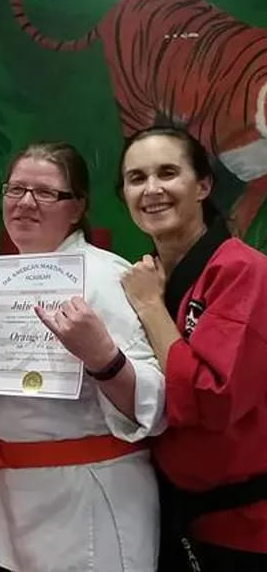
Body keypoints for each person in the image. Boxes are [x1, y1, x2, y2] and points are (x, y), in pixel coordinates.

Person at [0, 141, 165, 572]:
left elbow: (155, 405)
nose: (25, 203)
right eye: (15, 189)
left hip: (89, 500)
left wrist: (103, 358)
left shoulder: (104, 277)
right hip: (12, 499)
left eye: (45, 192)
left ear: (77, 207)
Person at [118, 126, 267, 571]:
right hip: (167, 512)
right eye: (136, 178)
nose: (151, 189)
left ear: (203, 186)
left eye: (167, 173)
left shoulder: (242, 270)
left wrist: (151, 308)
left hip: (244, 526)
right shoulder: (144, 277)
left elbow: (210, 398)